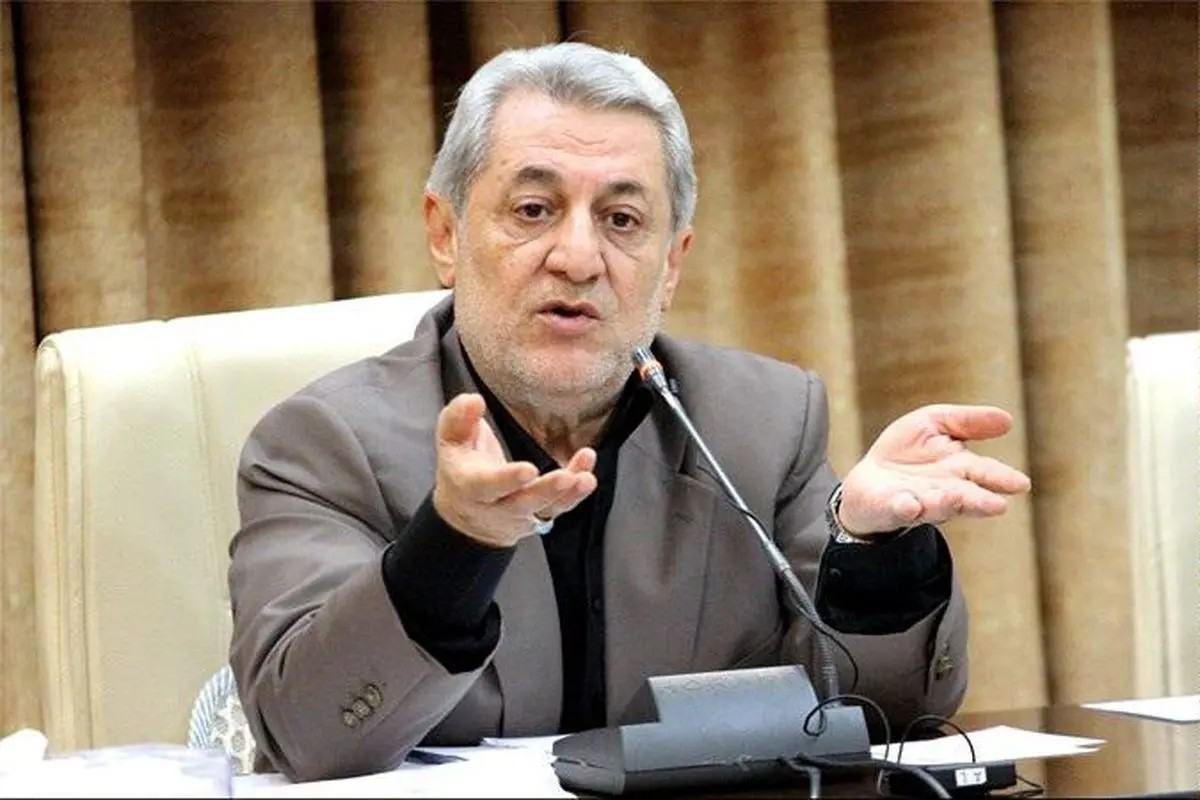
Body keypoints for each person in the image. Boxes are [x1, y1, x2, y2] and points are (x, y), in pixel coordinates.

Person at [227, 41, 1031, 783]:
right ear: (446, 234)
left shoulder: (763, 424)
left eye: (621, 220)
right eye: (533, 210)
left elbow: (876, 713)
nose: (579, 259)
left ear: (671, 264)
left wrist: (877, 554)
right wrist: (454, 544)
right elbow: (310, 734)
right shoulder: (323, 445)